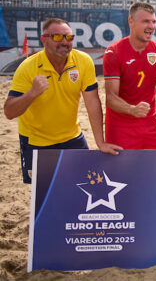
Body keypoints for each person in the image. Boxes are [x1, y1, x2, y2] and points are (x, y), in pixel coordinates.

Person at [4, 18, 108, 183]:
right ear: (44, 40)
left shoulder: (83, 61)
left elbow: (92, 103)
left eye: (69, 37)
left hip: (72, 137)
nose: (64, 42)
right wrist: (32, 93)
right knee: (44, 193)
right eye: (57, 37)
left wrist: (100, 142)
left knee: (84, 186)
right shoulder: (28, 67)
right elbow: (9, 112)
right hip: (36, 141)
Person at [102, 2, 156, 156]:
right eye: (146, 21)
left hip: (152, 124)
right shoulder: (113, 52)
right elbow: (110, 98)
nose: (151, 26)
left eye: (154, 22)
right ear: (131, 21)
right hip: (121, 126)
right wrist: (131, 109)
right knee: (123, 170)